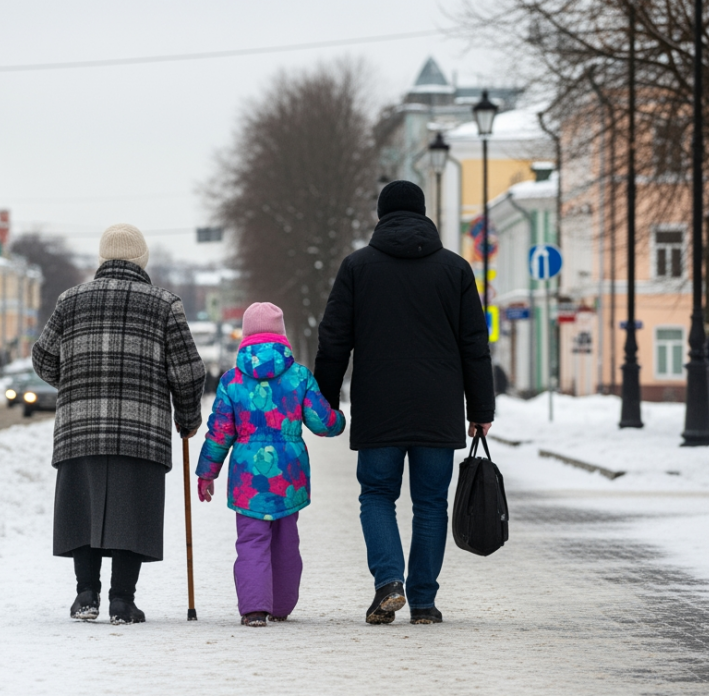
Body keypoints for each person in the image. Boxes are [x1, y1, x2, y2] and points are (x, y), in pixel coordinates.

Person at [314, 180, 495, 626]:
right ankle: (425, 603)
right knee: (431, 502)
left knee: (377, 494)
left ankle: (389, 582)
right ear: (424, 213)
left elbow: (335, 339)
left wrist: (324, 400)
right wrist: (482, 409)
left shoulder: (357, 267)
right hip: (439, 407)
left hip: (379, 404)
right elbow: (475, 342)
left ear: (381, 215)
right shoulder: (455, 270)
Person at [33, 223, 206, 625]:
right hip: (141, 430)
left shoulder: (69, 300)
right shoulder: (165, 304)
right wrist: (187, 418)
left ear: (102, 259)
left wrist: (74, 379)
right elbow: (188, 372)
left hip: (80, 429)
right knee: (134, 511)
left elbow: (43, 358)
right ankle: (122, 602)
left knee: (83, 509)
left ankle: (85, 596)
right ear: (142, 261)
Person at [195, 302, 346, 627]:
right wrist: (340, 420)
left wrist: (207, 472)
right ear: (282, 336)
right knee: (286, 538)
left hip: (248, 477)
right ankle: (281, 605)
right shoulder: (299, 377)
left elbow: (220, 432)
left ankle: (254, 609)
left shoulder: (232, 381)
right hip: (289, 474)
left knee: (251, 539)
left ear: (246, 335)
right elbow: (321, 422)